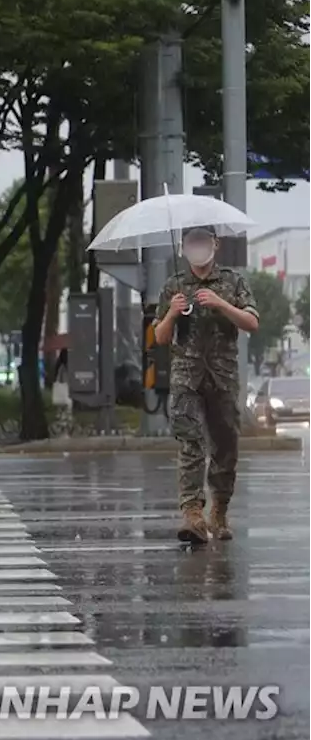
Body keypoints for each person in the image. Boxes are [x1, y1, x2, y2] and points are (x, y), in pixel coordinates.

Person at [153, 225, 259, 544]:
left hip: (223, 378)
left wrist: (221, 304)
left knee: (226, 447)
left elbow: (252, 323)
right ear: (183, 247)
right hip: (186, 377)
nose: (197, 247)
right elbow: (159, 336)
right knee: (191, 443)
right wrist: (172, 313)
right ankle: (193, 515)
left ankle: (219, 511)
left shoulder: (233, 281)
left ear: (216, 244)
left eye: (203, 241)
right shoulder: (174, 285)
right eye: (191, 242)